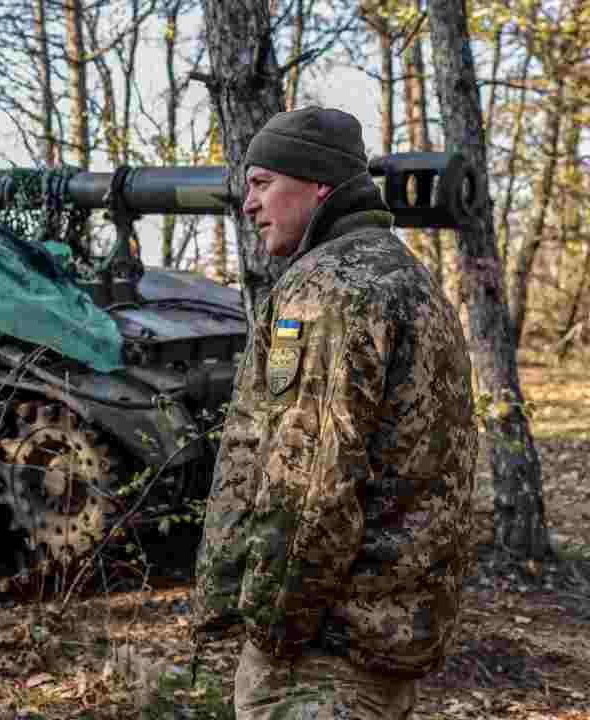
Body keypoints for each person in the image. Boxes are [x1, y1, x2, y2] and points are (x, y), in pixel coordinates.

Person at [188, 106, 479, 720]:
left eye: (263, 183)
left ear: (319, 184)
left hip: (321, 658)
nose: (248, 204)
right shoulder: (405, 276)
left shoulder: (330, 288)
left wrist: (272, 632)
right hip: (382, 636)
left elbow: (310, 485)